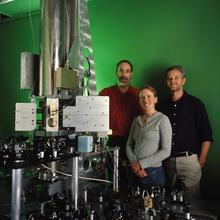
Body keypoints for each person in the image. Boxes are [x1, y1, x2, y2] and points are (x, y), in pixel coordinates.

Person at [158, 65, 213, 200]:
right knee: (168, 201)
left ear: (183, 80)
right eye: (169, 78)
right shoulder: (161, 106)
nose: (173, 81)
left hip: (190, 161)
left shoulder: (196, 104)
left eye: (176, 78)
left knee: (191, 203)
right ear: (166, 82)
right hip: (167, 162)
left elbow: (206, 135)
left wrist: (201, 161)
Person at [99, 59, 140, 189]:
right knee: (112, 180)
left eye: (127, 71)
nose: (124, 74)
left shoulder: (138, 94)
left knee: (132, 181)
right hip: (112, 142)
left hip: (133, 144)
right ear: (116, 73)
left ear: (131, 74)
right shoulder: (105, 93)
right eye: (121, 70)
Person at [126, 86, 172, 189]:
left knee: (152, 204)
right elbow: (129, 144)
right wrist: (135, 165)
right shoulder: (136, 120)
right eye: (142, 97)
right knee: (132, 203)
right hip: (134, 171)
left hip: (153, 173)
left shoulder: (162, 119)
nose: (145, 100)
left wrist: (141, 164)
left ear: (155, 99)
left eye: (149, 96)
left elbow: (166, 151)